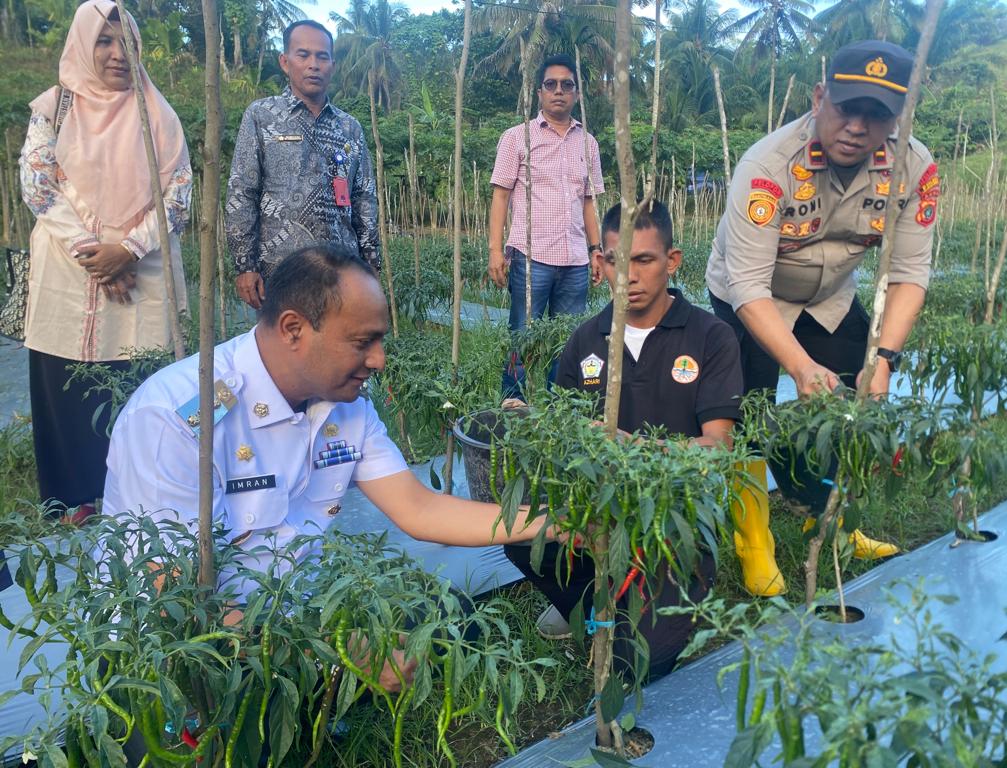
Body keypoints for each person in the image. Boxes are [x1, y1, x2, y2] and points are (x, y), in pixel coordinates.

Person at [103, 243, 557, 690]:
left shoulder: (345, 406)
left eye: (380, 340)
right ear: (293, 329)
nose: (378, 360)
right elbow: (173, 597)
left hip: (291, 616)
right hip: (185, 653)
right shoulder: (179, 417)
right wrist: (333, 651)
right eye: (362, 342)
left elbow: (420, 508)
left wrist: (555, 523)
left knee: (452, 619)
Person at [503, 200, 765, 677]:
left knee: (639, 663)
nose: (630, 276)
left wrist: (631, 445)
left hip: (673, 517)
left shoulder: (710, 337)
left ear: (672, 260)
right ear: (599, 263)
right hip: (599, 514)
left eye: (644, 259)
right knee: (521, 536)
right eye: (615, 260)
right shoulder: (585, 341)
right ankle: (586, 599)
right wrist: (533, 423)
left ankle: (634, 604)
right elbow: (568, 435)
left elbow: (718, 448)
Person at [705, 40, 937, 561]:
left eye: (876, 115)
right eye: (846, 108)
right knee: (748, 409)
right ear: (818, 98)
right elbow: (748, 284)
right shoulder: (768, 165)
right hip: (750, 298)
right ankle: (753, 536)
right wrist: (801, 366)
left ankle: (831, 519)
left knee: (853, 396)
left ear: (897, 117)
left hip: (829, 297)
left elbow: (909, 272)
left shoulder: (914, 168)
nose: (856, 127)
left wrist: (884, 360)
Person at [19, 0, 190, 521]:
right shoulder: (55, 108)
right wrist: (98, 256)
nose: (118, 53)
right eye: (104, 41)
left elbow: (179, 192)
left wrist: (129, 249)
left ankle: (139, 506)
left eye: (127, 42)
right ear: (82, 45)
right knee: (68, 390)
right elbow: (39, 186)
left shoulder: (157, 112)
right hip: (70, 274)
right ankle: (73, 506)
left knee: (141, 386)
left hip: (144, 271)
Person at [226, 20, 379, 310]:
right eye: (303, 55)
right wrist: (245, 264)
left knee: (339, 338)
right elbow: (242, 191)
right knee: (286, 337)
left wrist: (371, 262)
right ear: (285, 62)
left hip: (341, 271)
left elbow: (363, 197)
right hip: (280, 271)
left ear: (333, 65)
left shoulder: (349, 127)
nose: (313, 65)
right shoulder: (261, 116)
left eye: (322, 57)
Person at [488, 53, 604, 398]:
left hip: (575, 261)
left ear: (576, 93)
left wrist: (596, 250)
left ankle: (559, 407)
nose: (558, 91)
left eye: (567, 85)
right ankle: (513, 402)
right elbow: (500, 196)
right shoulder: (517, 138)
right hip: (531, 257)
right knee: (522, 336)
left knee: (567, 341)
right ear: (539, 92)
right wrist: (495, 251)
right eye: (551, 84)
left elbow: (589, 202)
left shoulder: (588, 143)